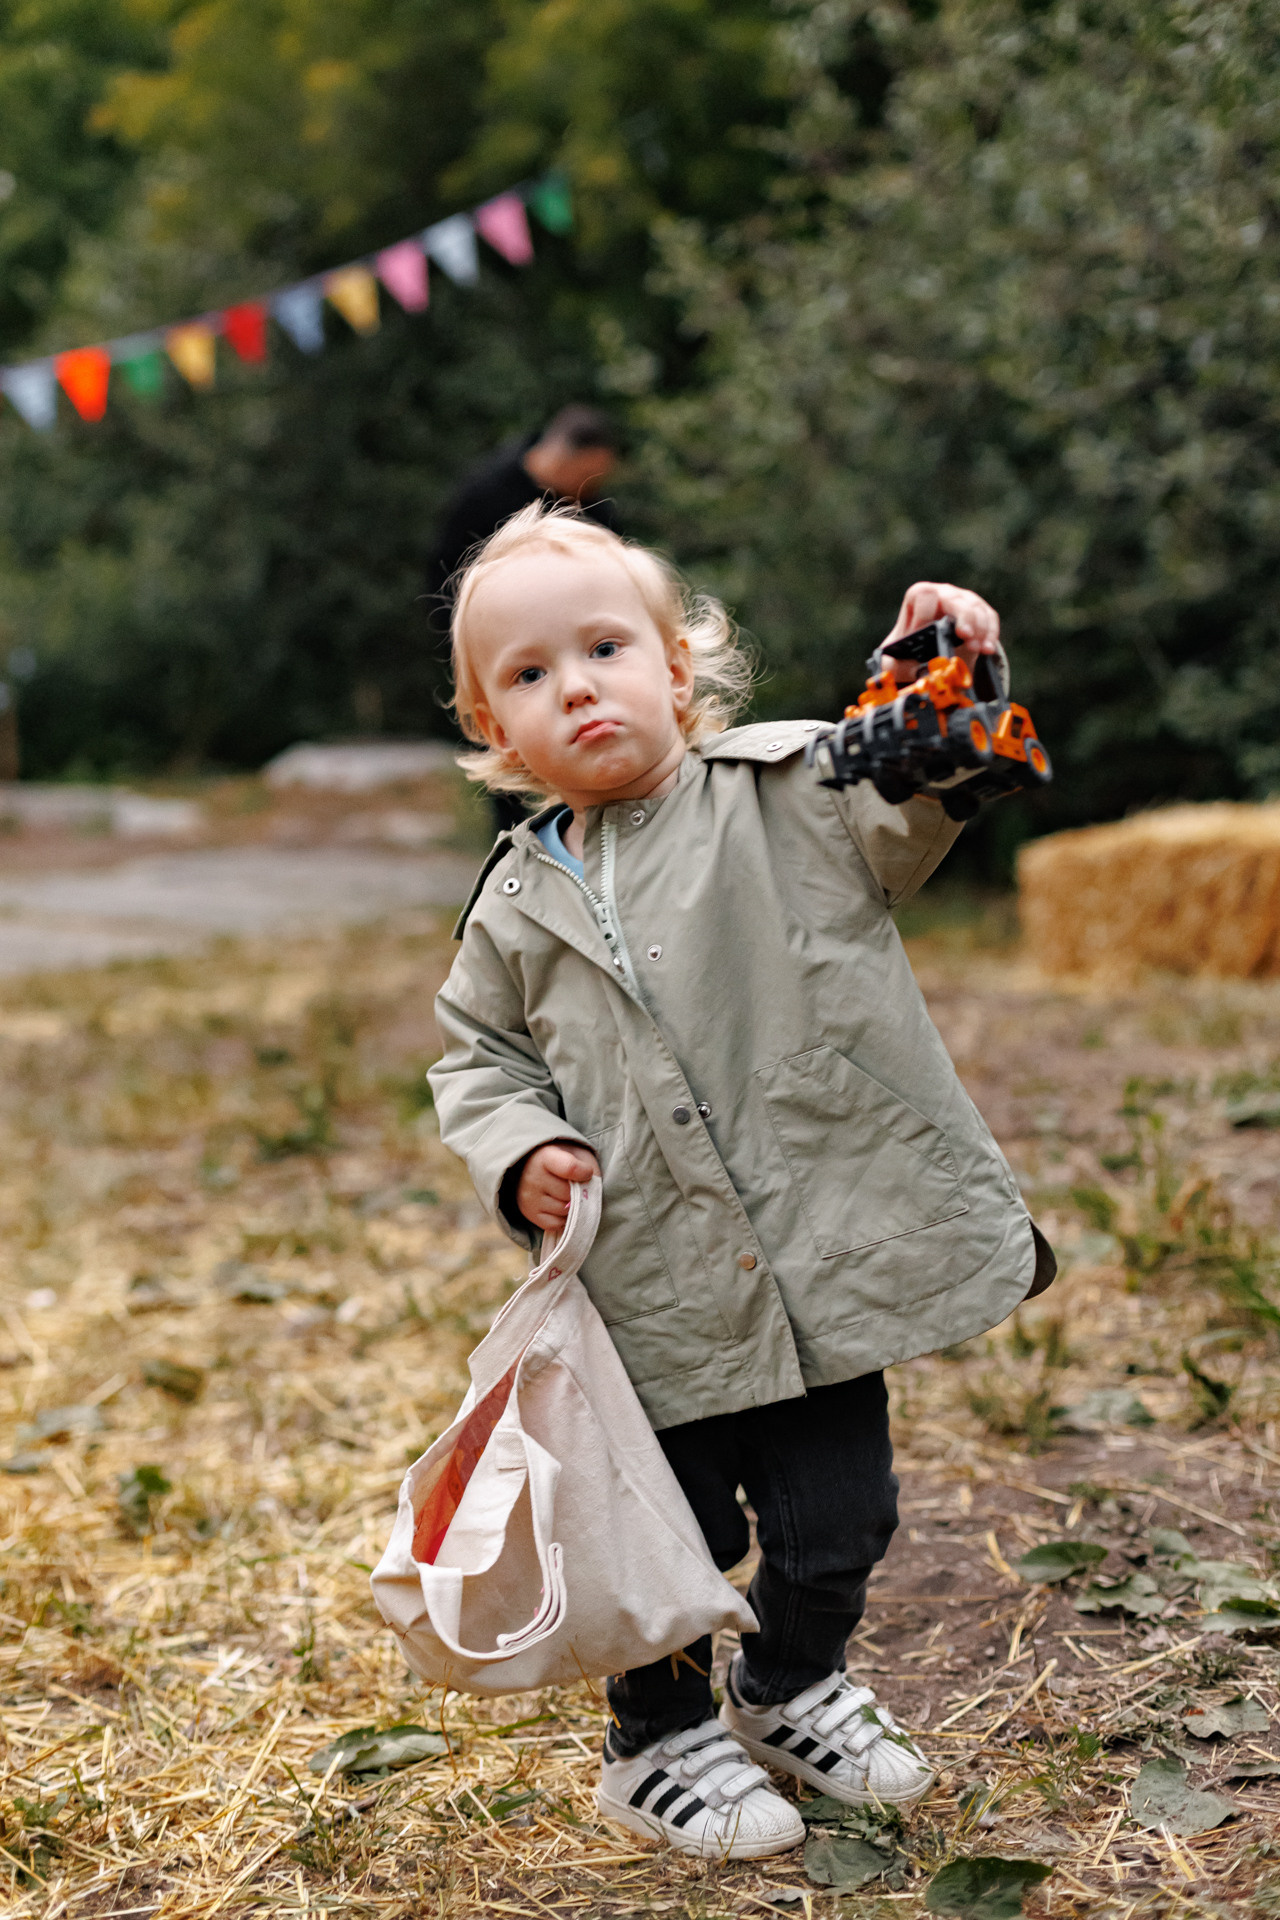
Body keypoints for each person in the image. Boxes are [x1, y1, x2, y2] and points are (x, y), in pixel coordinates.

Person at [427, 503, 1052, 1861]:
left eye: (604, 648)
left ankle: (788, 1684)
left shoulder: (795, 797)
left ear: (677, 667)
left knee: (844, 1521)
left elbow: (920, 777)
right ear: (494, 726)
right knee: (664, 1539)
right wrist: (518, 1149)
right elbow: (473, 1057)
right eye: (531, 675)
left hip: (817, 1256)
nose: (576, 685)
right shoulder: (514, 902)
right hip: (648, 1286)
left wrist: (948, 661)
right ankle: (655, 1741)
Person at [430, 404, 620, 831]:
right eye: (592, 473)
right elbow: (441, 578)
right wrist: (472, 653)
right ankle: (519, 846)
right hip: (509, 659)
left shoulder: (591, 506)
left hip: (582, 661)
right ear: (567, 456)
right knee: (515, 759)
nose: (595, 486)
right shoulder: (486, 494)